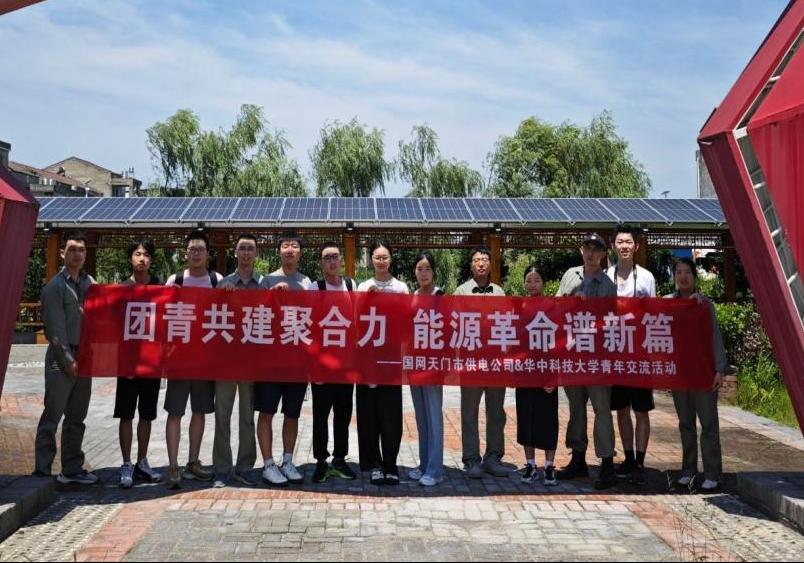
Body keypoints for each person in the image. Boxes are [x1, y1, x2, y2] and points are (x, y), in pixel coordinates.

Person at [34, 231, 98, 484]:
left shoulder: (89, 284)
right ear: (62, 253)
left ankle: (72, 468)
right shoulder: (55, 287)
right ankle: (42, 470)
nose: (77, 254)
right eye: (72, 249)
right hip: (61, 359)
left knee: (77, 417)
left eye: (81, 250)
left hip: (85, 357)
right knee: (53, 414)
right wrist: (67, 359)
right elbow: (54, 329)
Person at [555, 233, 619, 490]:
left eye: (596, 250)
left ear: (603, 254)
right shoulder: (570, 275)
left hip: (597, 357)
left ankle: (607, 463)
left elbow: (612, 321)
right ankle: (578, 458)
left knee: (602, 410)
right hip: (573, 354)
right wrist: (571, 301)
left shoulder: (608, 284)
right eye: (587, 248)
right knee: (576, 409)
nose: (591, 254)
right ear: (581, 251)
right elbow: (556, 307)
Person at [163, 232, 222, 489]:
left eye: (200, 249)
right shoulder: (174, 280)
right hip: (179, 359)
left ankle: (193, 461)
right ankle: (172, 466)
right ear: (185, 253)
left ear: (208, 254)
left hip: (205, 360)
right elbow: (161, 318)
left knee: (200, 411)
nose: (196, 253)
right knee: (175, 412)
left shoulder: (216, 280)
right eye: (191, 249)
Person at [667, 258, 728, 492]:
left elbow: (715, 337)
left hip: (704, 374)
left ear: (694, 276)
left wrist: (719, 369)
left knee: (709, 424)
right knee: (686, 425)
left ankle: (712, 473)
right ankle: (688, 470)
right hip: (680, 375)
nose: (683, 277)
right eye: (678, 272)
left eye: (687, 272)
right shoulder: (669, 305)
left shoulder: (704, 305)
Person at [256, 232, 310, 486]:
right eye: (285, 245)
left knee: (292, 414)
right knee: (266, 412)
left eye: (294, 246)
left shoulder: (307, 282)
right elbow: (255, 313)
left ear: (300, 253)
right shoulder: (266, 280)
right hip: (270, 361)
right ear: (278, 251)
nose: (290, 249)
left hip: (297, 360)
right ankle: (268, 464)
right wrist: (271, 294)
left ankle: (288, 461)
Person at [606, 225, 657, 486]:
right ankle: (627, 457)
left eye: (628, 242)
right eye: (620, 242)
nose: (624, 246)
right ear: (613, 246)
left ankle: (640, 461)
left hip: (640, 354)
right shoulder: (607, 276)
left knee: (641, 410)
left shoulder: (647, 277)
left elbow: (655, 313)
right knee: (622, 410)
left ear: (636, 246)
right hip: (615, 353)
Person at [356, 240, 408, 486]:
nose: (380, 261)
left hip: (390, 358)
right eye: (377, 257)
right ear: (371, 260)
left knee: (390, 415)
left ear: (391, 259)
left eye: (384, 257)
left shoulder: (401, 287)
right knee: (368, 414)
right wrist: (366, 300)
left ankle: (390, 464)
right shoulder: (363, 286)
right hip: (367, 358)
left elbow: (406, 319)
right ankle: (374, 465)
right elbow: (355, 319)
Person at [454, 247, 508, 479]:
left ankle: (493, 457)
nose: (481, 264)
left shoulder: (500, 292)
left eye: (485, 259)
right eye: (477, 260)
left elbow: (507, 324)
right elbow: (455, 324)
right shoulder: (461, 292)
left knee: (496, 412)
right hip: (471, 362)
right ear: (471, 265)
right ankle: (471, 459)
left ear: (490, 264)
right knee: (469, 412)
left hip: (495, 362)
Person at [212, 234, 260, 488]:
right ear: (235, 252)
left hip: (251, 361)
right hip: (226, 361)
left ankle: (245, 466)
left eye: (250, 249)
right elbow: (209, 315)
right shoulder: (223, 283)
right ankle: (221, 469)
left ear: (256, 254)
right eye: (242, 248)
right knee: (222, 415)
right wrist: (221, 296)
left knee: (247, 416)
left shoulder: (263, 285)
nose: (246, 253)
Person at [308, 241, 358, 484]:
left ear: (341, 260)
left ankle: (339, 459)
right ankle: (320, 461)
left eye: (335, 256)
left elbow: (356, 322)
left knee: (343, 415)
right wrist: (314, 366)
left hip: (346, 365)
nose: (332, 261)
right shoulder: (315, 287)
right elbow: (308, 327)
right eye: (327, 257)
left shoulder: (350, 285)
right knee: (320, 415)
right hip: (322, 366)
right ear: (321, 263)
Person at [115, 239, 163, 488]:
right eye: (137, 254)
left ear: (151, 260)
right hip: (127, 364)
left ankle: (142, 461)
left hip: (151, 363)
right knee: (126, 414)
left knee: (147, 414)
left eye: (146, 254)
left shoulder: (160, 288)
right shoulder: (121, 289)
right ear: (130, 258)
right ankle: (126, 463)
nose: (142, 258)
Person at [517, 265, 559, 486]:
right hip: (525, 372)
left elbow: (560, 342)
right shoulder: (519, 307)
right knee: (526, 419)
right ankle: (530, 465)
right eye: (529, 280)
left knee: (548, 420)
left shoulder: (552, 306)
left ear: (544, 283)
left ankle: (549, 466)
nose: (532, 284)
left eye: (537, 280)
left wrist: (555, 376)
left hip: (547, 371)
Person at [409, 251, 445, 487]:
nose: (423, 274)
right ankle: (424, 464)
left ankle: (435, 469)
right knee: (421, 417)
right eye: (420, 269)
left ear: (434, 272)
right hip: (415, 363)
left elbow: (447, 332)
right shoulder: (412, 296)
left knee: (434, 417)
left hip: (433, 364)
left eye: (427, 269)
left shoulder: (440, 296)